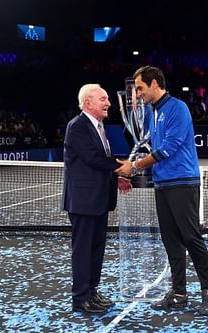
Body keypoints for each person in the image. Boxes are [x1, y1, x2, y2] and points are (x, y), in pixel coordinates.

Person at [116, 66, 208, 316]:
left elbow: (169, 148)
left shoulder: (178, 108)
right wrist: (136, 164)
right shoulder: (151, 113)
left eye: (140, 87)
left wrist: (136, 165)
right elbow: (152, 146)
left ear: (154, 84)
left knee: (191, 237)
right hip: (162, 183)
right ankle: (179, 293)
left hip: (183, 181)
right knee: (171, 240)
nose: (137, 93)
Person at [63, 83, 132, 315]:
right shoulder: (78, 126)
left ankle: (91, 292)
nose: (109, 103)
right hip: (83, 201)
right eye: (103, 99)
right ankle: (80, 298)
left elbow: (101, 160)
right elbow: (93, 158)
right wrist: (122, 168)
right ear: (88, 102)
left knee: (96, 249)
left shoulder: (100, 127)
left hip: (99, 200)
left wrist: (117, 177)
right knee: (83, 251)